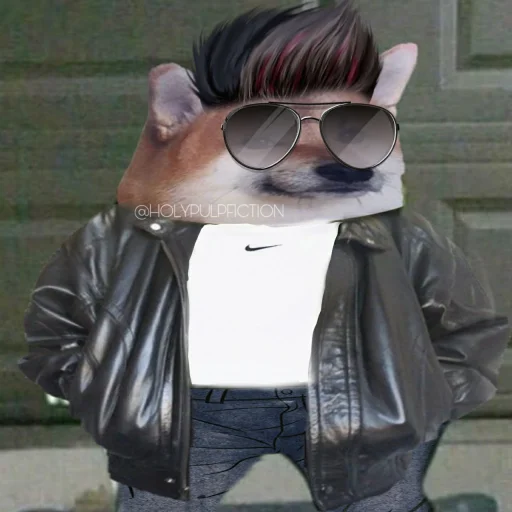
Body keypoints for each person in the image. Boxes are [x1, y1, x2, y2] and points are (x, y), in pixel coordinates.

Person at [18, 3, 510, 511]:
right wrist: (99, 392)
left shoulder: (398, 239)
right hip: (195, 411)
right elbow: (61, 315)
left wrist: (429, 398)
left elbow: (465, 323)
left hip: (352, 406)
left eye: (351, 128)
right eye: (264, 134)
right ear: (179, 120)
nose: (329, 158)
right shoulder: (128, 239)